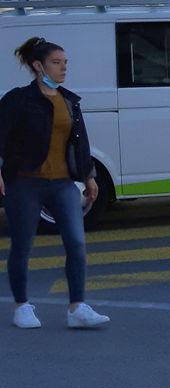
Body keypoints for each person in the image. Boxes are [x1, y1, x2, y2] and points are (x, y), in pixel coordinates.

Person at [0, 37, 110, 330]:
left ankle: (77, 307)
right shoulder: (17, 99)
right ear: (38, 66)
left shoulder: (69, 101)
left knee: (76, 242)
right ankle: (22, 306)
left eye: (65, 63)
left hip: (62, 183)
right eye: (56, 63)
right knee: (22, 246)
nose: (63, 68)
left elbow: (80, 142)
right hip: (25, 182)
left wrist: (89, 176)